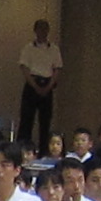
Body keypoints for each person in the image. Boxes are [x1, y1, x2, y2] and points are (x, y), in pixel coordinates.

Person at [13, 18, 62, 149]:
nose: (42, 32)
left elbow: (57, 69)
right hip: (32, 83)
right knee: (26, 120)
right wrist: (35, 86)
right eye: (40, 29)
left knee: (45, 122)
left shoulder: (54, 49)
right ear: (35, 31)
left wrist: (48, 87)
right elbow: (24, 68)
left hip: (47, 83)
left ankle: (44, 151)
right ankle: (23, 149)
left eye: (45, 29)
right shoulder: (28, 48)